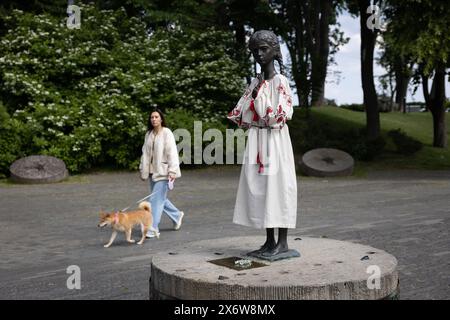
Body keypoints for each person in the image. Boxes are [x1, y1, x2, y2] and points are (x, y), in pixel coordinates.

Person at [227, 30, 297, 257]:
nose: (259, 54)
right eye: (255, 50)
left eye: (264, 49)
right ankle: (269, 241)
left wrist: (258, 101)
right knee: (262, 189)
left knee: (278, 187)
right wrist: (255, 99)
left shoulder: (280, 82)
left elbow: (279, 115)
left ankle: (283, 243)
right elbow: (240, 114)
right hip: (258, 139)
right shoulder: (256, 82)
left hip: (274, 141)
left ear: (275, 51)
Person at [139, 108, 184, 238]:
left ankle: (153, 228)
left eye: (156, 117)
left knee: (155, 200)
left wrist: (172, 171)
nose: (154, 119)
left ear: (161, 119)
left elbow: (172, 153)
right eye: (152, 117)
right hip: (152, 173)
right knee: (159, 199)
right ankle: (177, 215)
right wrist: (143, 169)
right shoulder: (148, 134)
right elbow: (145, 154)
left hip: (164, 172)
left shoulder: (167, 133)